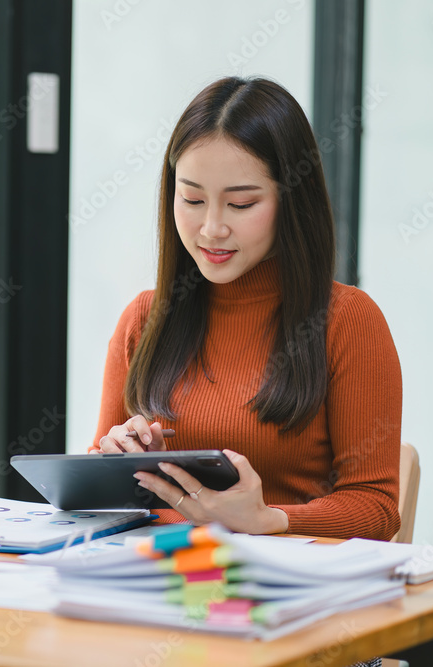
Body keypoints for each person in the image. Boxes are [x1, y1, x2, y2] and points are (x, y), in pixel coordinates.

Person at [90, 76, 402, 541]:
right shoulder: (145, 318)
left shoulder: (347, 322)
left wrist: (270, 519)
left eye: (241, 203)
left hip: (285, 592)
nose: (211, 228)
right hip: (157, 583)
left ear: (290, 201)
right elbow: (97, 504)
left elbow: (376, 508)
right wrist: (118, 462)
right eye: (192, 199)